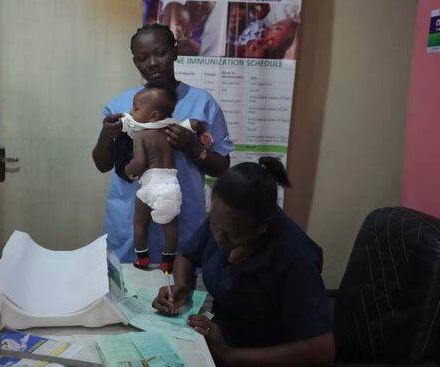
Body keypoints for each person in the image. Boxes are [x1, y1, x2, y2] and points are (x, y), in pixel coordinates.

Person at [152, 158, 335, 366]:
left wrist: (230, 355)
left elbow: (322, 350)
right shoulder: (224, 220)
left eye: (233, 235)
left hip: (258, 357)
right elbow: (186, 256)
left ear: (262, 226)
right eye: (213, 223)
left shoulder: (294, 257)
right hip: (215, 344)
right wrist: (182, 286)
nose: (219, 239)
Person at [92, 23, 233, 264]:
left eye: (161, 53)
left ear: (175, 52)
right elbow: (102, 164)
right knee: (127, 295)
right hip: (130, 220)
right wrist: (107, 134)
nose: (153, 63)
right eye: (142, 58)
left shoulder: (202, 103)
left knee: (179, 292)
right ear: (135, 62)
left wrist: (194, 149)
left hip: (183, 220)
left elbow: (221, 167)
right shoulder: (120, 105)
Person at [123, 83, 213, 272]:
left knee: (140, 223)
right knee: (170, 227)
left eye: (136, 109)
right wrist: (203, 133)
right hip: (171, 185)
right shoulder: (173, 128)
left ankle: (143, 260)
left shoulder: (141, 134)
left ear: (153, 115)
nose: (131, 112)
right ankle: (167, 263)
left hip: (150, 185)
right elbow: (195, 124)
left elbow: (139, 162)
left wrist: (128, 170)